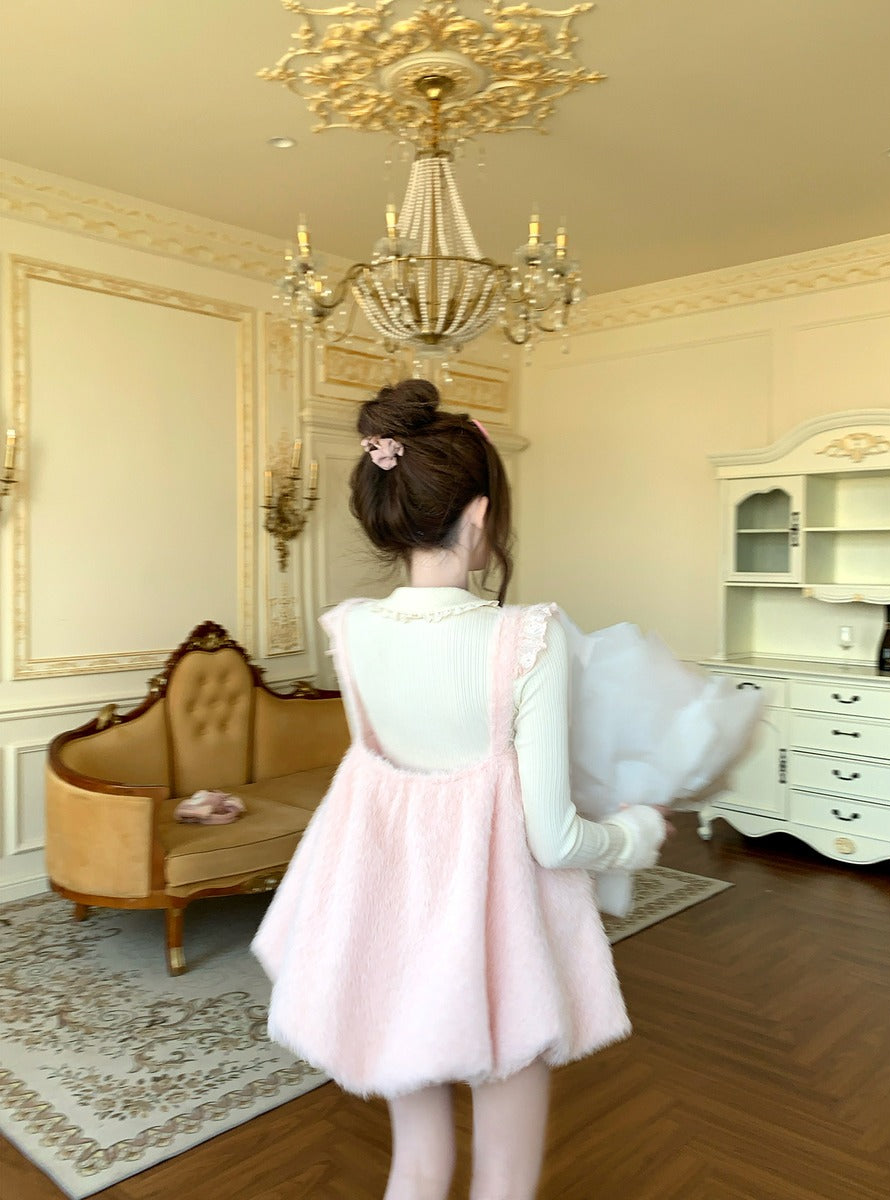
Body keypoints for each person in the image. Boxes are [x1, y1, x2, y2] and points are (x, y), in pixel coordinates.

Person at [252, 378, 668, 1200]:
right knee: (503, 1178)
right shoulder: (526, 637)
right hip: (499, 941)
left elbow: (382, 787)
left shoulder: (351, 631)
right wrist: (636, 835)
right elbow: (554, 838)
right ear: (479, 515)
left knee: (416, 1165)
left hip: (392, 928)